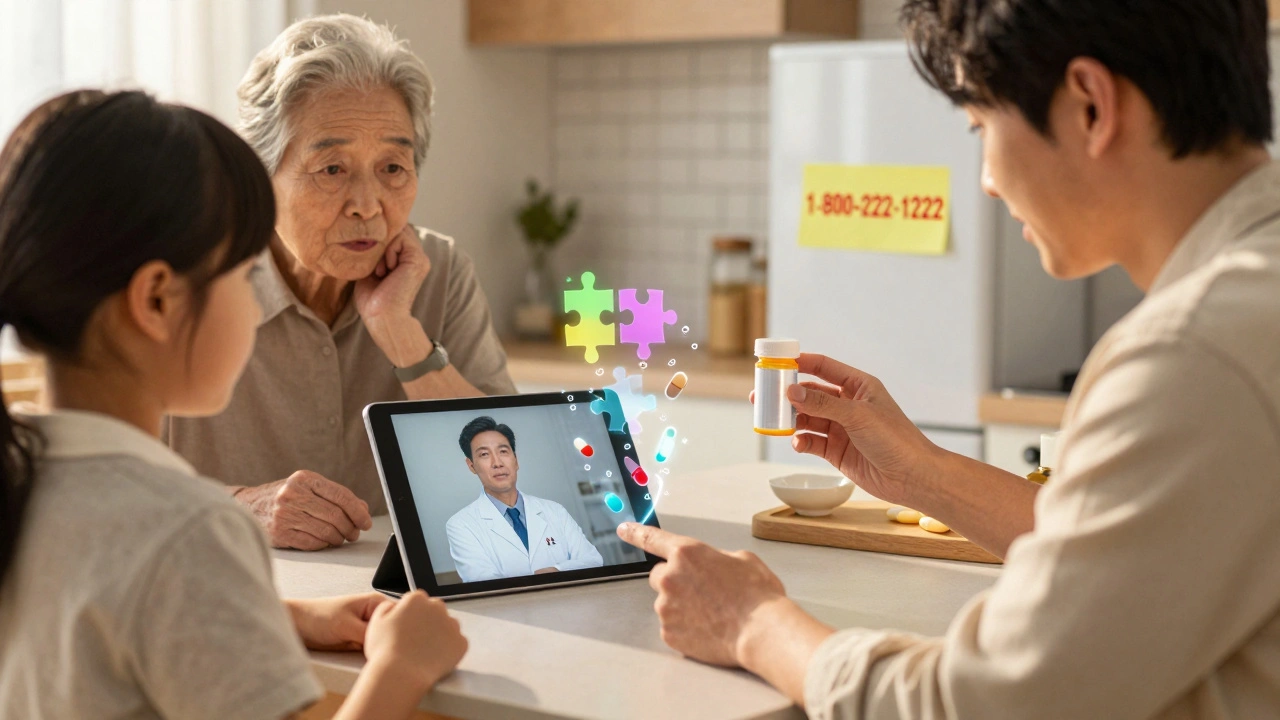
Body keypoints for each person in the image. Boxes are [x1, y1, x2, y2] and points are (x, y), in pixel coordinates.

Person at [617, 1, 1280, 718]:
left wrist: (752, 624)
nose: (987, 181)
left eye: (980, 128)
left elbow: (986, 703)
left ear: (1090, 105)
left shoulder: (1189, 357)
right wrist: (922, 473)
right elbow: (1145, 557)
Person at [0, 90, 467, 720]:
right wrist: (401, 666)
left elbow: (101, 612)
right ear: (158, 300)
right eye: (245, 274)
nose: (256, 306)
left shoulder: (22, 473)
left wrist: (279, 614)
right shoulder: (189, 530)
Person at [165, 14, 518, 551]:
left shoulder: (439, 271)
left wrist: (400, 332)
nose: (368, 205)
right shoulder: (182, 282)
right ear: (259, 175)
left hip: (404, 605)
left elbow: (517, 475)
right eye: (332, 169)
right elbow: (90, 487)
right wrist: (238, 508)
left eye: (393, 167)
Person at [446, 416, 603, 582]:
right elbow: (482, 582)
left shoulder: (555, 510)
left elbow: (593, 560)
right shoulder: (460, 525)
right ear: (472, 466)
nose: (497, 463)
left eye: (503, 452)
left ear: (516, 460)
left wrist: (557, 570)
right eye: (484, 454)